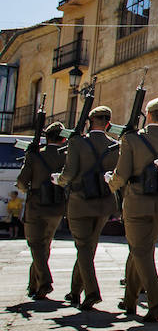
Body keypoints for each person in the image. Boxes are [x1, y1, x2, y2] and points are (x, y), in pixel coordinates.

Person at [108, 96, 158, 323]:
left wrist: (111, 182)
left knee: (140, 251)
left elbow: (123, 172)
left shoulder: (132, 139)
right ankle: (130, 300)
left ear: (147, 115)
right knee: (141, 249)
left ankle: (156, 300)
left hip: (137, 200)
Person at [56, 104, 119, 310]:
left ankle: (91, 292)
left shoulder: (77, 143)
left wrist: (59, 180)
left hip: (81, 201)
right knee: (88, 247)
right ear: (108, 123)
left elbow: (70, 171)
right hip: (103, 202)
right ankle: (75, 291)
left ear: (89, 122)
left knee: (83, 247)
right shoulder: (114, 145)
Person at [17, 122, 67, 299]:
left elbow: (22, 182)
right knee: (45, 244)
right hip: (57, 206)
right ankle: (34, 285)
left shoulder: (35, 155)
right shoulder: (65, 156)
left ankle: (44, 281)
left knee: (35, 244)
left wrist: (26, 188)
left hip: (36, 204)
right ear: (63, 138)